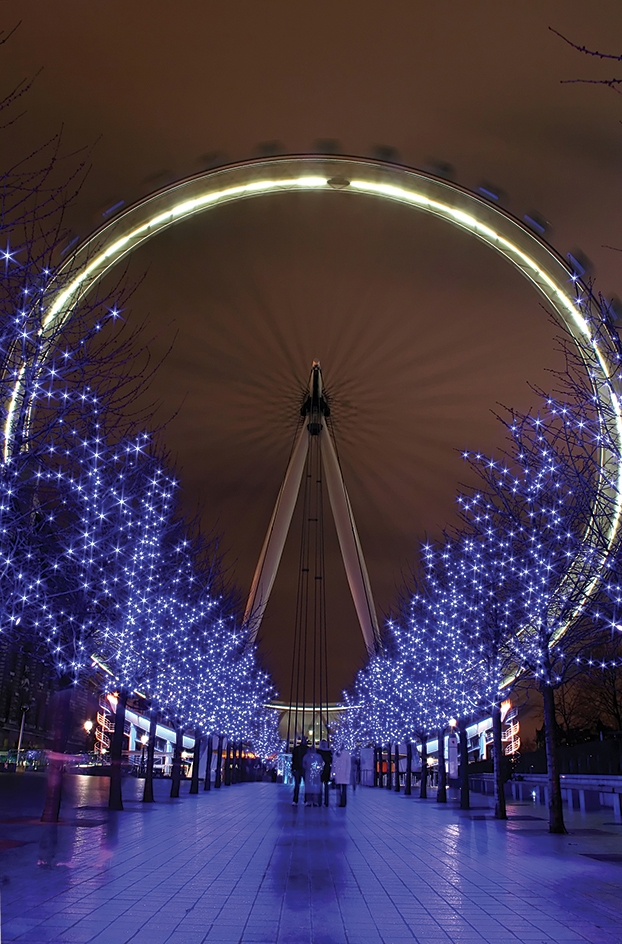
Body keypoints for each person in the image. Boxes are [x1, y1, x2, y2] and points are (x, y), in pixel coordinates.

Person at [291, 737, 308, 804]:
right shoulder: (305, 749)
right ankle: (297, 800)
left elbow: (294, 759)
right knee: (298, 785)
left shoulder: (298, 749)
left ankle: (297, 800)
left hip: (302, 769)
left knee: (298, 785)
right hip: (300, 768)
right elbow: (293, 759)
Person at [318, 739, 332, 807]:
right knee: (319, 787)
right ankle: (319, 801)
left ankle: (326, 802)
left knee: (326, 787)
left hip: (327, 769)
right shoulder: (318, 751)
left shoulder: (329, 751)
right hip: (320, 769)